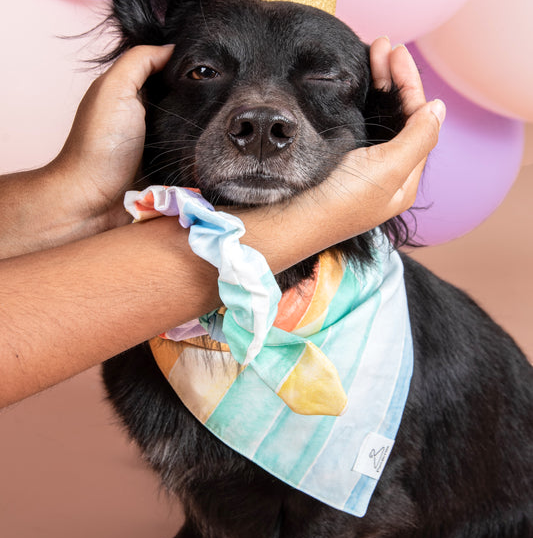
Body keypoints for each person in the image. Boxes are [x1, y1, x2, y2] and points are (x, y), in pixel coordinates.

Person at [0, 38, 445, 408]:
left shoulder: (382, 342)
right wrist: (82, 189)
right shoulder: (131, 359)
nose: (262, 117)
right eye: (204, 71)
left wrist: (79, 198)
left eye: (325, 78)